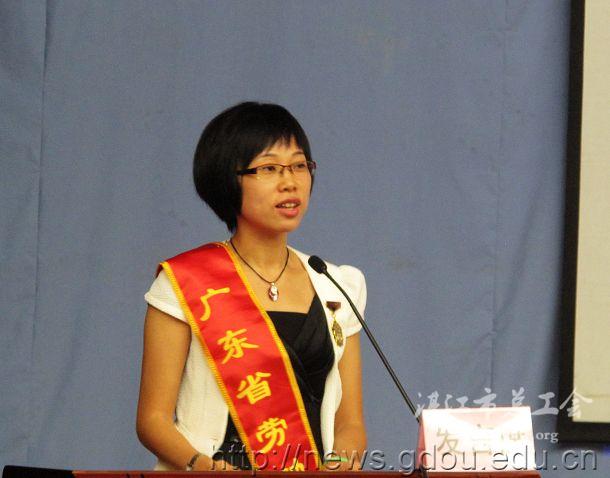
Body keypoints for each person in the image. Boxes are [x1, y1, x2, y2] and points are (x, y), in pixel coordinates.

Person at [136, 102, 367, 471]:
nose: (290, 182)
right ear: (227, 180)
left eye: (299, 165)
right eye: (269, 168)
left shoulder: (335, 284)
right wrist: (204, 467)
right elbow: (152, 420)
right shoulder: (186, 282)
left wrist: (338, 464)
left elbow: (350, 423)